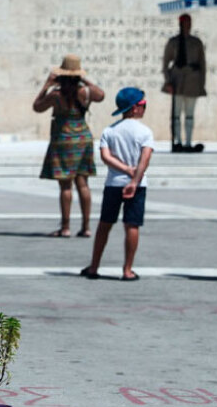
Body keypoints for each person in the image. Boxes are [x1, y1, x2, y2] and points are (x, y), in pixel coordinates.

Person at [80, 87, 155, 282]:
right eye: (143, 104)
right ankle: (127, 270)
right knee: (132, 225)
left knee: (105, 224)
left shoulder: (110, 130)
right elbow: (145, 160)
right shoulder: (145, 132)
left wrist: (124, 170)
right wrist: (134, 178)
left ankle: (94, 266)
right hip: (137, 185)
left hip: (113, 183)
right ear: (135, 108)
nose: (145, 108)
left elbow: (105, 157)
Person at [33, 54, 104, 238]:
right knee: (83, 183)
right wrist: (84, 79)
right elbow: (101, 94)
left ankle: (65, 227)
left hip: (63, 138)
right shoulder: (86, 92)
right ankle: (86, 227)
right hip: (82, 138)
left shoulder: (56, 95)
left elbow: (37, 106)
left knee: (66, 186)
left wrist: (47, 85)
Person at [162, 14, 207, 153]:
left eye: (188, 22)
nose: (186, 25)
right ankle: (178, 142)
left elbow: (202, 64)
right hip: (177, 80)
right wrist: (168, 81)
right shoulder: (173, 42)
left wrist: (201, 84)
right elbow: (165, 63)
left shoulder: (196, 42)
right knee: (176, 115)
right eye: (184, 23)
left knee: (189, 114)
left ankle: (188, 142)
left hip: (192, 81)